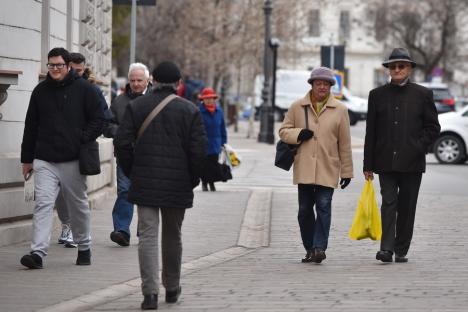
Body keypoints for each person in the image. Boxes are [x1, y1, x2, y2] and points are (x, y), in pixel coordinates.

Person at [115, 61, 207, 310]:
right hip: (178, 183)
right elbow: (198, 151)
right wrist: (192, 179)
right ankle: (173, 286)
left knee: (147, 235)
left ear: (152, 80)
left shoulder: (137, 106)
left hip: (144, 180)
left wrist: (132, 170)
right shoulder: (189, 110)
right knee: (172, 235)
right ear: (178, 84)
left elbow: (121, 143)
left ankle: (150, 293)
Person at [20, 47, 104, 269]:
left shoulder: (85, 89)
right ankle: (37, 253)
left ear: (68, 66)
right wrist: (26, 159)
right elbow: (30, 126)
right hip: (45, 159)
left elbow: (100, 118)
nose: (55, 69)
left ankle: (84, 246)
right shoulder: (40, 91)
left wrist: (81, 138)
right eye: (51, 65)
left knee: (77, 205)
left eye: (59, 65)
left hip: (73, 158)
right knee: (43, 204)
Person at [363, 48, 440, 263]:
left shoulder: (423, 95)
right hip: (385, 161)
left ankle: (401, 248)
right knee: (388, 203)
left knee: (407, 207)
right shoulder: (376, 95)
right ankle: (386, 249)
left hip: (412, 162)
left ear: (409, 69)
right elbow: (371, 132)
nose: (396, 69)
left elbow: (433, 128)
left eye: (401, 66)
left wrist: (417, 147)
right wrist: (367, 164)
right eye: (393, 66)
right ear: (388, 69)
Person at [279, 66, 353, 264]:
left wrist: (347, 172)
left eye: (326, 84)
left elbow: (344, 143)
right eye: (318, 83)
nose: (322, 87)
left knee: (323, 206)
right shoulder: (297, 107)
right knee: (304, 211)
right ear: (312, 85)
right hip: (304, 167)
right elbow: (283, 131)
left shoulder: (340, 110)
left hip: (328, 167)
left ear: (331, 87)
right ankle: (310, 247)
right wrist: (298, 134)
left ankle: (320, 248)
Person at [55, 52, 113, 248]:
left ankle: (77, 231)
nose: (76, 73)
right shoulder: (56, 87)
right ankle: (67, 225)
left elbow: (104, 116)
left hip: (82, 148)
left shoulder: (91, 90)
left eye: (79, 70)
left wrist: (84, 136)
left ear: (84, 69)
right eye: (73, 69)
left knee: (76, 191)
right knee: (59, 191)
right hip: (58, 147)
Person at [107, 62, 151, 247]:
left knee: (146, 193)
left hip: (150, 156)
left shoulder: (156, 100)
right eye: (132, 80)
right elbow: (107, 125)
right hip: (125, 154)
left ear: (148, 81)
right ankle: (122, 231)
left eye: (139, 80)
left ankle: (145, 229)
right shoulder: (120, 101)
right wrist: (124, 133)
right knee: (125, 191)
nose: (135, 83)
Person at [198, 87, 228, 192]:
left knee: (213, 163)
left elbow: (222, 128)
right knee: (205, 165)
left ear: (214, 99)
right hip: (204, 143)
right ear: (203, 99)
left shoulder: (219, 111)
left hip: (216, 143)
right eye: (206, 98)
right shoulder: (199, 112)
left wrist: (224, 143)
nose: (209, 100)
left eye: (211, 98)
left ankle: (211, 183)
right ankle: (205, 183)